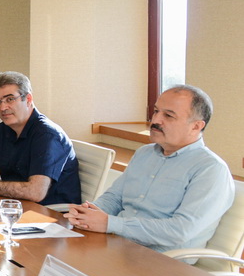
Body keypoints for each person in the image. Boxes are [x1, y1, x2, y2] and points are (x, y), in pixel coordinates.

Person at [65, 85, 234, 252]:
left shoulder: (210, 169)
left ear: (196, 126)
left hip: (162, 260)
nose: (155, 121)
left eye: (168, 115)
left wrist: (110, 223)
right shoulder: (145, 153)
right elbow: (115, 198)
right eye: (156, 111)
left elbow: (180, 230)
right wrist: (86, 214)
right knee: (59, 254)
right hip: (118, 244)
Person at [0, 71, 80, 206]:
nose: (3, 108)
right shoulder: (4, 129)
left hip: (49, 212)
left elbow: (35, 192)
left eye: (10, 99)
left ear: (28, 99)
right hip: (13, 205)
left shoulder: (47, 135)